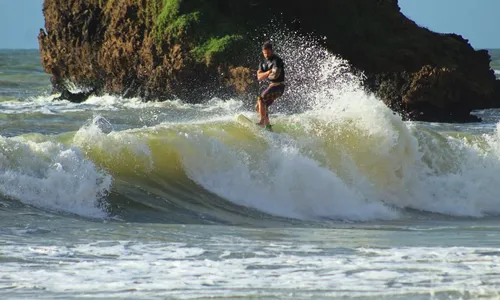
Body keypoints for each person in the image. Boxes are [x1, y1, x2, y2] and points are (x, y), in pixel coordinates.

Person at [255, 41, 285, 129]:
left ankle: (262, 122)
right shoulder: (262, 63)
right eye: (265, 53)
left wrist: (265, 74)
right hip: (271, 86)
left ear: (272, 51)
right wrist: (268, 72)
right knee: (259, 107)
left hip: (279, 87)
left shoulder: (277, 60)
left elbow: (275, 75)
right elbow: (259, 77)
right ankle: (268, 126)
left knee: (261, 98)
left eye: (268, 52)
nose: (266, 55)